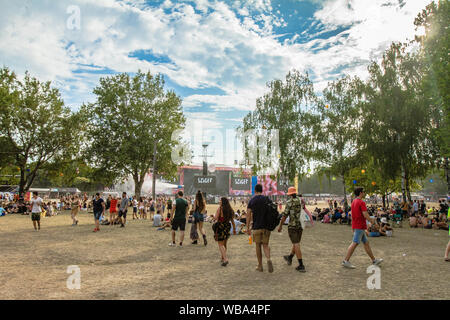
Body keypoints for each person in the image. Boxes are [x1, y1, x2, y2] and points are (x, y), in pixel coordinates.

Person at [342, 187, 383, 269]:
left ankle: (374, 260)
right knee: (355, 243)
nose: (364, 193)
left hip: (357, 225)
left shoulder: (354, 201)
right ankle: (345, 261)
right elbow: (365, 214)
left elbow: (352, 215)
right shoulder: (361, 202)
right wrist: (373, 222)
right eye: (364, 192)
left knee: (366, 243)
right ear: (360, 193)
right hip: (359, 226)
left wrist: (353, 225)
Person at [278, 187, 312, 272]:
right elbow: (304, 209)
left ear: (289, 194)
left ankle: (301, 265)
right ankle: (289, 257)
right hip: (300, 225)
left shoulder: (289, 203)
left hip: (292, 226)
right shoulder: (301, 201)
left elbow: (285, 215)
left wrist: (280, 226)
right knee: (296, 242)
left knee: (296, 244)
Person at [246, 184, 274, 273]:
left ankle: (260, 266)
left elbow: (248, 214)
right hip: (266, 226)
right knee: (265, 245)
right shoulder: (267, 199)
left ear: (255, 190)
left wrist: (247, 227)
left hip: (257, 226)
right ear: (262, 190)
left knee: (258, 245)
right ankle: (269, 259)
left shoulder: (252, 200)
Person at [214, 197, 236, 266]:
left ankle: (225, 259)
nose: (219, 201)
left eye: (220, 200)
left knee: (220, 244)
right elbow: (232, 220)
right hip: (227, 227)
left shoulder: (220, 208)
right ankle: (222, 257)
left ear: (222, 202)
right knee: (224, 243)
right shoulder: (230, 209)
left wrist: (214, 216)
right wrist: (234, 229)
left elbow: (216, 218)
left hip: (220, 227)